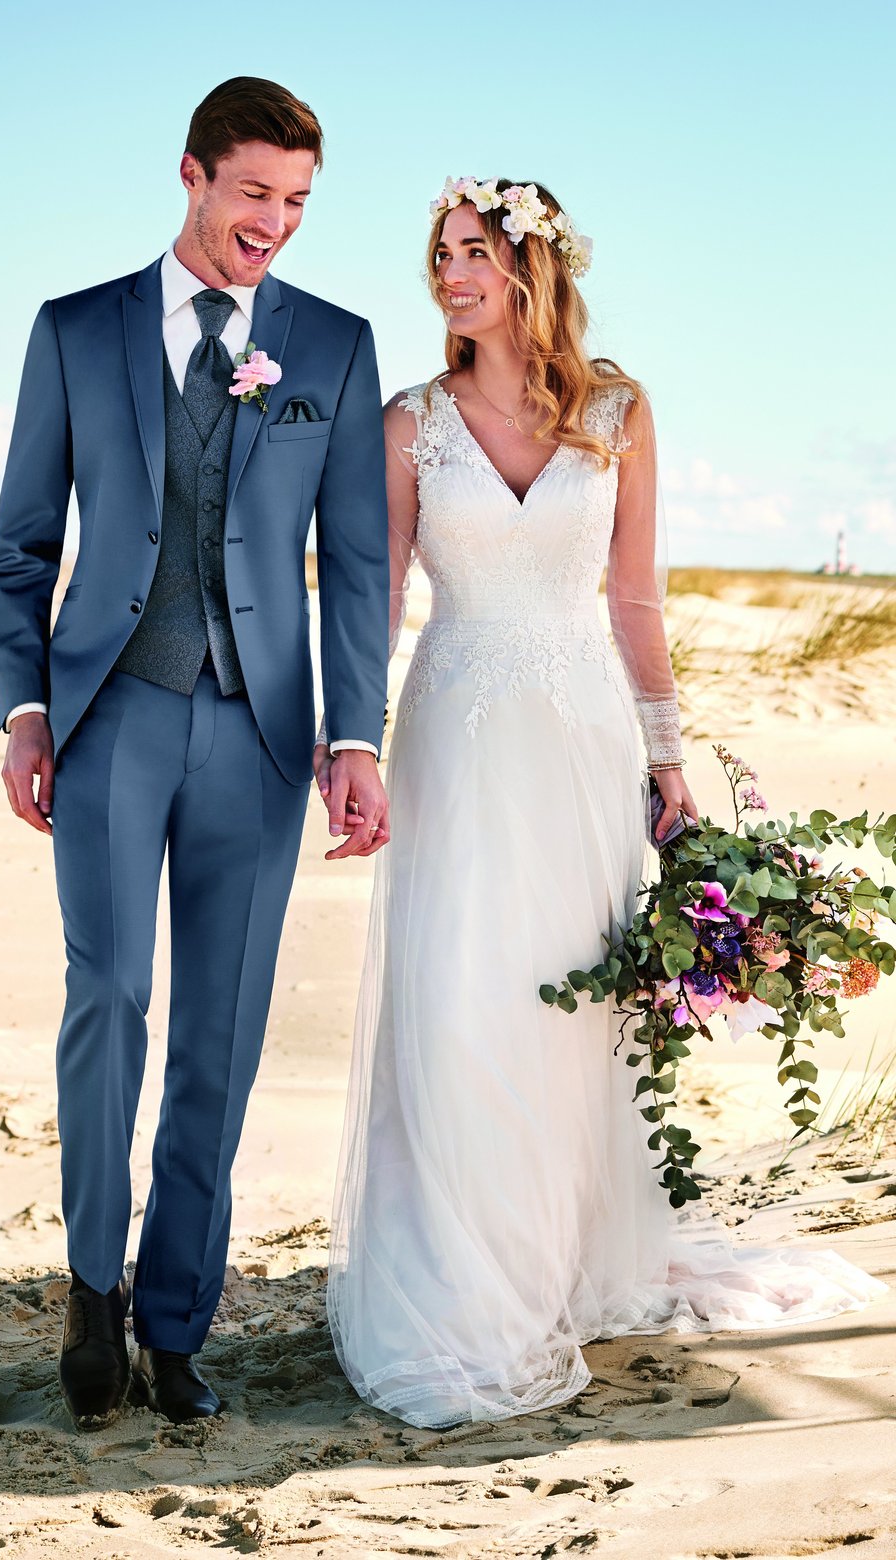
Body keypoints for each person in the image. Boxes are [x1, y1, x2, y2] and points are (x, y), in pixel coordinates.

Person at [324, 176, 885, 1429]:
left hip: (582, 734)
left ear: (534, 267)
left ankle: (565, 1256)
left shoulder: (618, 411)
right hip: (456, 730)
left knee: (572, 995)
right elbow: (378, 597)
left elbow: (635, 599)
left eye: (475, 251)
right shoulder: (409, 423)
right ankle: (460, 1277)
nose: (450, 274)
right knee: (461, 988)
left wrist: (667, 754)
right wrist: (351, 737)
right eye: (442, 253)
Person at [0, 77, 391, 1430]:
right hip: (111, 716)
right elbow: (22, 546)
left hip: (260, 737)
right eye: (254, 192)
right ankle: (91, 1293)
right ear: (192, 175)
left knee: (220, 1035)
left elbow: (358, 567)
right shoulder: (77, 329)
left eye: (298, 201)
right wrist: (24, 710)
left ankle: (174, 1325)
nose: (275, 222)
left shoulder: (334, 348)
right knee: (108, 999)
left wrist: (353, 735)